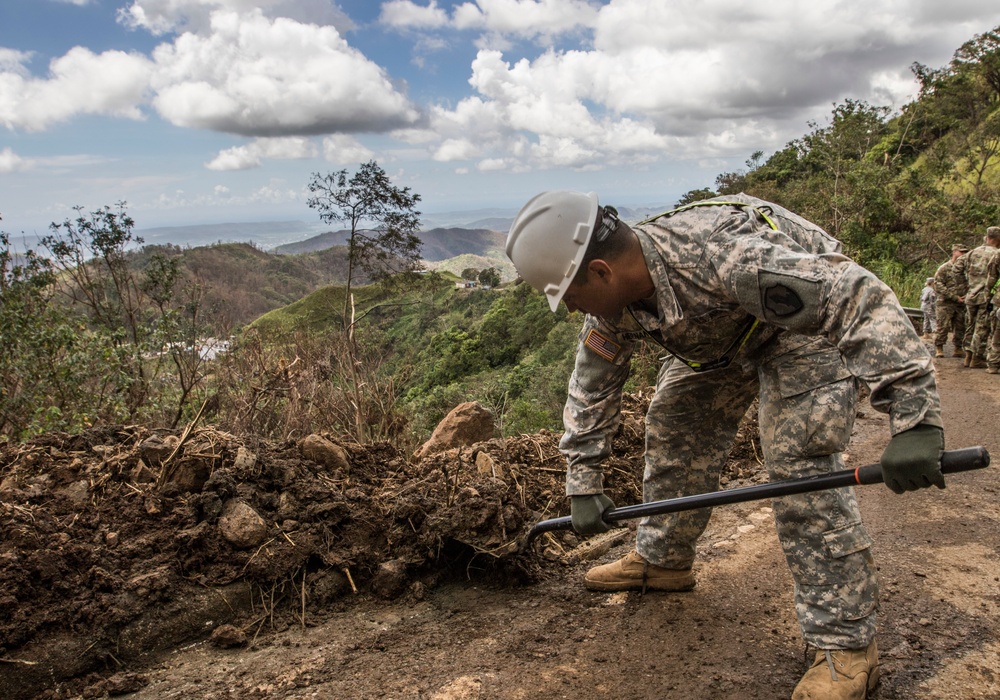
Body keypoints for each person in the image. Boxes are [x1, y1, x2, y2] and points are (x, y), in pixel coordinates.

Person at [506, 191, 946, 700]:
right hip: (722, 343)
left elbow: (854, 295)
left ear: (602, 272)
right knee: (673, 424)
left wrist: (914, 420)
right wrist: (583, 480)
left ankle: (847, 649)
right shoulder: (613, 306)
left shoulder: (724, 256)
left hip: (800, 332)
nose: (572, 309)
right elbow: (592, 385)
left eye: (571, 295)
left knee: (798, 464)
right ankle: (663, 560)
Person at [953, 227, 1000, 368]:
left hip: (971, 294)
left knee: (970, 325)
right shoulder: (996, 254)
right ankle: (976, 357)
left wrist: (965, 288)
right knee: (982, 327)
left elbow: (956, 269)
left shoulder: (973, 252)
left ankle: (968, 356)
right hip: (986, 296)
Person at [933, 244, 969, 358]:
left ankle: (958, 348)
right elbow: (938, 285)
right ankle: (939, 348)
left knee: (960, 326)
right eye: (961, 252)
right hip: (945, 303)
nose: (963, 254)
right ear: (954, 252)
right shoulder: (944, 268)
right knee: (942, 326)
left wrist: (966, 296)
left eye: (965, 252)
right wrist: (953, 296)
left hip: (960, 303)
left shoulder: (965, 269)